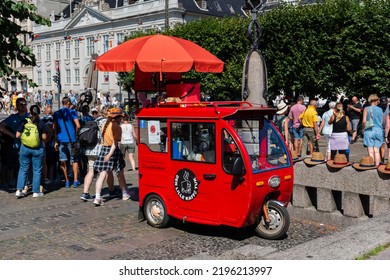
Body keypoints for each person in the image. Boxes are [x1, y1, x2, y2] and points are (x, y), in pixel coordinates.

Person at [92, 108, 130, 206]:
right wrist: (110, 154)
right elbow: (115, 143)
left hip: (104, 149)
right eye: (120, 117)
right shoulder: (117, 127)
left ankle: (97, 197)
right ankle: (124, 193)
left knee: (102, 175)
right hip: (112, 151)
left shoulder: (105, 124)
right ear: (117, 118)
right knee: (120, 173)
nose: (121, 119)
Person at [15, 105, 47, 198]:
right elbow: (44, 137)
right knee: (37, 170)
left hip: (24, 148)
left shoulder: (24, 121)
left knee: (23, 169)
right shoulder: (41, 123)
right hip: (37, 148)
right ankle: (36, 192)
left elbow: (17, 135)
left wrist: (25, 139)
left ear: (30, 111)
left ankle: (19, 190)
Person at [0, 97, 29, 190]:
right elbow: (1, 126)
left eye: (25, 104)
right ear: (17, 106)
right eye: (21, 104)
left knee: (26, 165)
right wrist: (11, 134)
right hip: (15, 146)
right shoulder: (13, 118)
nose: (23, 106)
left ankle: (26, 182)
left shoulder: (30, 117)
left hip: (28, 146)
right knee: (12, 165)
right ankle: (11, 181)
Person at [53, 97, 81, 188]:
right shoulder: (72, 112)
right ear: (68, 103)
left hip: (61, 140)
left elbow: (54, 128)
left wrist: (56, 139)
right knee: (74, 160)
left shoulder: (56, 113)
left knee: (63, 160)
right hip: (71, 139)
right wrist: (76, 134)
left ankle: (67, 181)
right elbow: (78, 125)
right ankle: (76, 180)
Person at [362, 94, 384, 166]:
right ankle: (377, 166)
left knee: (371, 151)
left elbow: (364, 121)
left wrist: (362, 128)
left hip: (369, 130)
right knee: (377, 151)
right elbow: (381, 121)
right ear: (376, 100)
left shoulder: (366, 108)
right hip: (378, 130)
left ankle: (371, 165)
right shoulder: (380, 109)